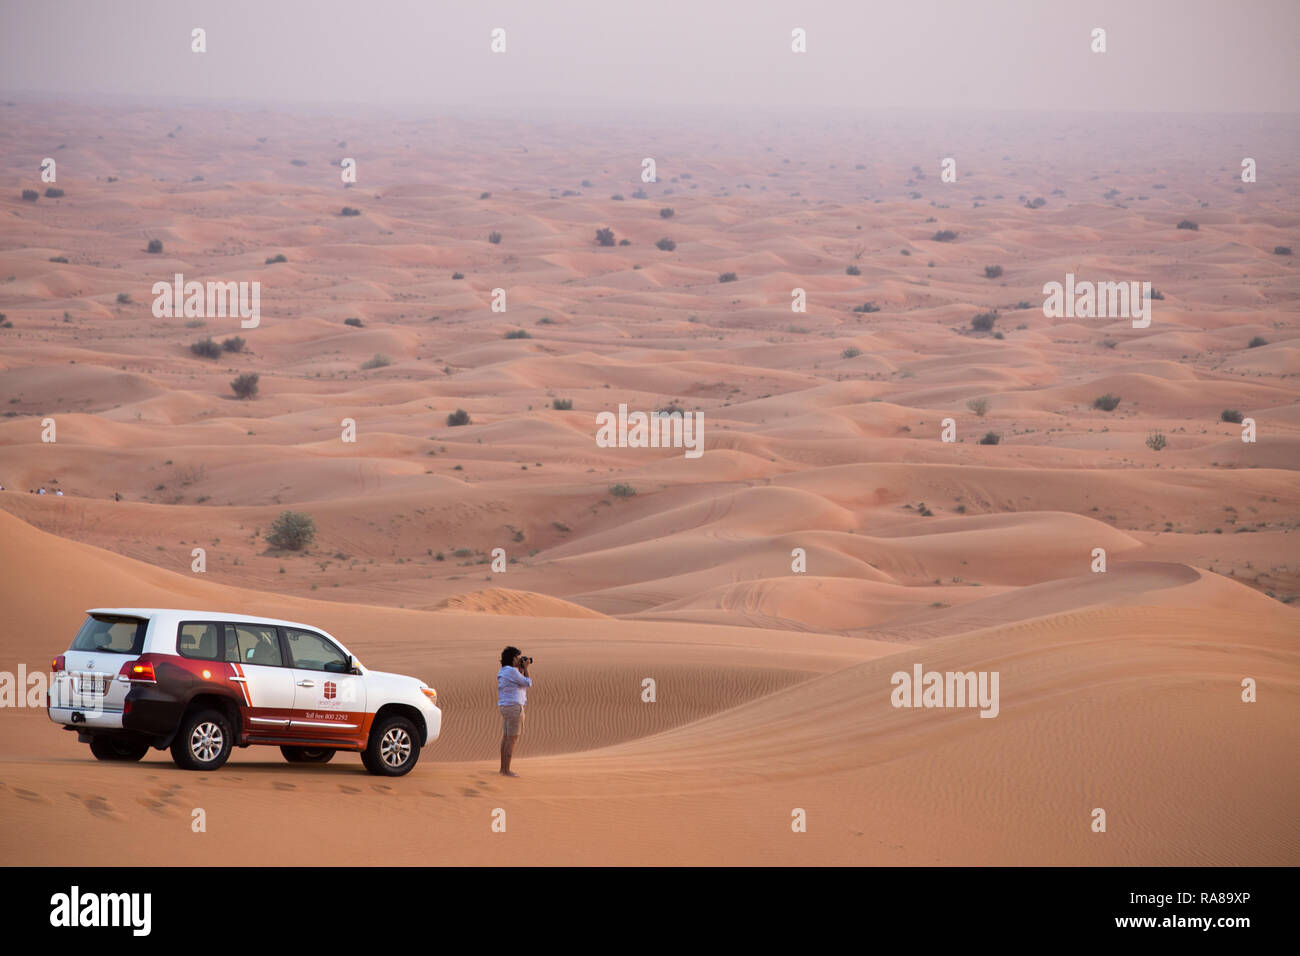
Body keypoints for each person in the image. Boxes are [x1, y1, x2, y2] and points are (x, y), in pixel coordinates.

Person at [497, 645, 532, 777]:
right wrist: (526, 669)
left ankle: (503, 768)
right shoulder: (512, 672)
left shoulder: (503, 671)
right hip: (514, 708)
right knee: (511, 739)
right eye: (518, 658)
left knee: (506, 738)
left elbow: (519, 683)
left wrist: (521, 670)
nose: (520, 660)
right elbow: (527, 683)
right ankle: (506, 771)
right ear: (513, 659)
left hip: (505, 707)